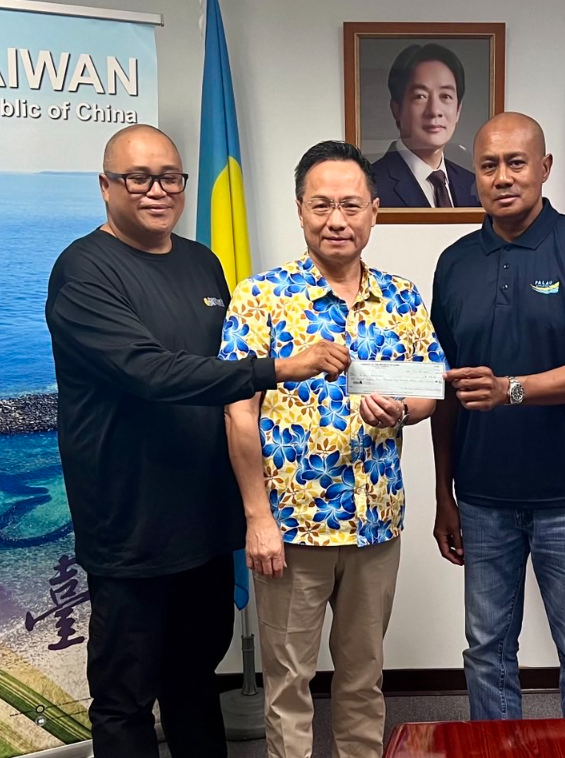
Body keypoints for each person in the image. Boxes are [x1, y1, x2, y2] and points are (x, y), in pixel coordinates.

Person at [45, 124, 349, 758]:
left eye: (170, 178)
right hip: (130, 522)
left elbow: (224, 379)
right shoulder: (83, 271)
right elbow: (148, 371)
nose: (157, 191)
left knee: (194, 678)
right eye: (138, 178)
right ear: (106, 186)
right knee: (126, 694)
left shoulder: (201, 262)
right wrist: (277, 368)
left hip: (204, 518)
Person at [222, 140, 441, 757]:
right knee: (288, 684)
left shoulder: (401, 297)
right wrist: (257, 518)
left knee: (363, 677)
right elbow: (237, 412)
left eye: (350, 205)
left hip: (376, 524)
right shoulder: (261, 297)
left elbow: (429, 389)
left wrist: (402, 409)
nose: (336, 220)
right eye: (321, 205)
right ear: (299, 210)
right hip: (292, 528)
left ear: (374, 210)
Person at [429, 112, 565, 720]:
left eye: (516, 163)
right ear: (474, 176)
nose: (503, 177)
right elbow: (445, 391)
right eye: (488, 165)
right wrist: (443, 494)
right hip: (482, 499)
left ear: (544, 167)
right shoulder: (454, 263)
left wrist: (510, 389)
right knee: (486, 651)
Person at [371, 43, 478, 208]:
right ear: (396, 109)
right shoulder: (370, 185)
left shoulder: (473, 185)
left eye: (446, 96)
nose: (434, 111)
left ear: (458, 110)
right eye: (420, 96)